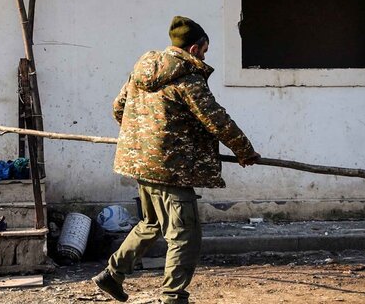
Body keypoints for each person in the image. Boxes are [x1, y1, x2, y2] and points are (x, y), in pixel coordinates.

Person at [92, 16, 260, 304]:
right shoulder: (187, 76)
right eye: (205, 51)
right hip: (171, 170)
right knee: (185, 235)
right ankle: (173, 298)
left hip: (141, 165)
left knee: (151, 224)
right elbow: (216, 120)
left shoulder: (141, 69)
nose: (205, 57)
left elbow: (119, 107)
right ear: (195, 49)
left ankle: (112, 275)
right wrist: (244, 150)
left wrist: (142, 139)